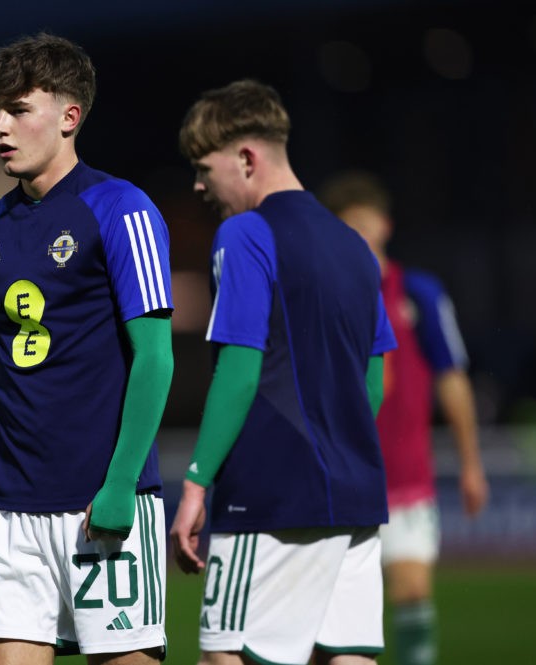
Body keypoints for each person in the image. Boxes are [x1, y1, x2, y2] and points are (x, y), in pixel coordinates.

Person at [0, 33, 174, 665]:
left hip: (102, 505)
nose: (0, 127)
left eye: (17, 110)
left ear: (70, 118)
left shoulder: (123, 209)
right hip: (9, 514)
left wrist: (123, 483)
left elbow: (155, 357)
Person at [168, 80, 398, 665]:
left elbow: (240, 371)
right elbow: (370, 383)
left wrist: (195, 483)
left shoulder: (244, 234)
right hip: (356, 497)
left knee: (227, 658)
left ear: (247, 158)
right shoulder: (354, 247)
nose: (199, 185)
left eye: (203, 167)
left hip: (271, 500)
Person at [318, 170, 489, 665]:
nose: (360, 238)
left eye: (365, 227)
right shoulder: (324, 293)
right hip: (342, 475)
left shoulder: (419, 293)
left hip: (407, 474)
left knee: (412, 591)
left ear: (385, 226)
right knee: (329, 616)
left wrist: (472, 463)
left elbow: (452, 379)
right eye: (348, 228)